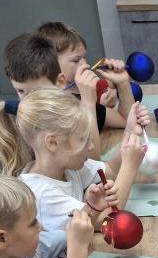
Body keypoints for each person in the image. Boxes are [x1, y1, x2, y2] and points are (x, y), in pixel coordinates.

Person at [8, 89, 147, 231]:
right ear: (52, 142)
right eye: (83, 139)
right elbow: (106, 222)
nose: (91, 146)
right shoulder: (42, 195)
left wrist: (130, 133)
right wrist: (130, 167)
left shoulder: (66, 167)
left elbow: (110, 170)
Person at [3, 33, 132, 161]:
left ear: (60, 82)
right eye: (20, 91)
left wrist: (122, 84)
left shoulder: (75, 107)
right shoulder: (16, 117)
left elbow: (125, 119)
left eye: (38, 92)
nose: (28, 101)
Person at [37, 20, 132, 114]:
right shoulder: (46, 106)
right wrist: (92, 106)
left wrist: (122, 84)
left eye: (84, 57)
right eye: (76, 60)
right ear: (50, 63)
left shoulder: (92, 88)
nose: (85, 65)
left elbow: (126, 120)